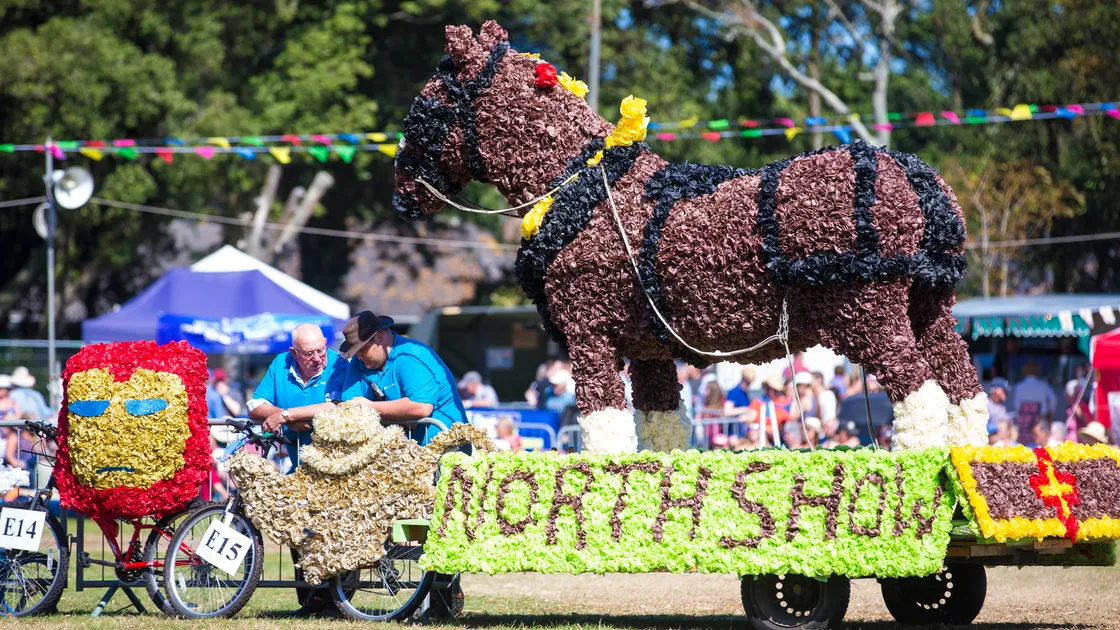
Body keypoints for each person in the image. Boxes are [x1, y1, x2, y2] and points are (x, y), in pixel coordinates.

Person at [339, 310, 467, 444]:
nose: (359, 356)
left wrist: (371, 407)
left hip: (447, 449)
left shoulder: (412, 355)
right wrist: (399, 415)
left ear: (380, 337)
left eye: (362, 349)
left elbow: (421, 406)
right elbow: (351, 405)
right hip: (401, 455)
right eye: (355, 352)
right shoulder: (360, 361)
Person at [249, 323, 349, 469]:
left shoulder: (339, 364)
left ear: (326, 343)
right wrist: (287, 418)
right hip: (298, 469)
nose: (317, 358)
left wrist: (287, 415)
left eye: (321, 350)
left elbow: (336, 406)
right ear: (294, 353)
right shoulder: (280, 363)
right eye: (309, 353)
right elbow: (254, 406)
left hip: (335, 467)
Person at [836, 374, 893, 441]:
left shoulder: (889, 402)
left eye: (875, 390)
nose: (872, 394)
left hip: (882, 438)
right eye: (869, 390)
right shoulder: (852, 401)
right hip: (857, 438)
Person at [1010, 361, 1057, 439]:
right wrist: (1050, 414)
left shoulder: (1019, 386)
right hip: (1040, 421)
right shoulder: (1043, 385)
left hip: (1024, 423)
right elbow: (1053, 399)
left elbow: (1016, 406)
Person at [748, 376, 791, 448]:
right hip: (761, 439)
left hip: (780, 439)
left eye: (774, 390)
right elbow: (750, 419)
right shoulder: (758, 402)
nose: (771, 392)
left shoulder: (785, 403)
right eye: (769, 388)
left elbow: (787, 422)